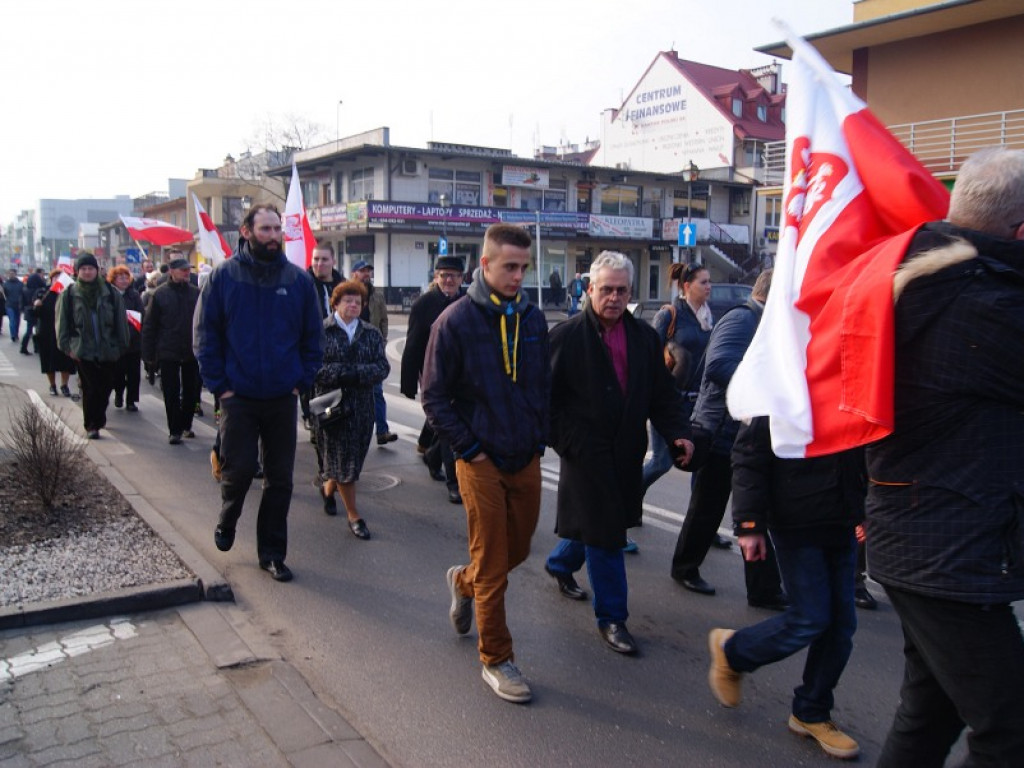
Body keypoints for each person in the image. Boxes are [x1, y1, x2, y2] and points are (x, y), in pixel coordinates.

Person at [864, 146, 1024, 767]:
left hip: (927, 534)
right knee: (1011, 729)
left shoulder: (925, 280)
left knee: (930, 713)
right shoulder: (986, 305)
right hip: (951, 549)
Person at [422, 223, 549, 704]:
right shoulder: (453, 322)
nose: (518, 276)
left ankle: (462, 580)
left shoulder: (533, 319)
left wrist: (539, 437)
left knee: (518, 549)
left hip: (525, 454)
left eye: (523, 267)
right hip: (479, 460)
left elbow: (542, 386)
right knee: (495, 563)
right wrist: (469, 449)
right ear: (485, 265)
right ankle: (496, 658)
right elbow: (434, 397)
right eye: (509, 266)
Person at [544, 251, 693, 654]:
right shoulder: (566, 336)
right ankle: (612, 617)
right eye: (606, 289)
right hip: (584, 454)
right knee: (607, 536)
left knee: (601, 523)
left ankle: (559, 563)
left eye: (621, 290)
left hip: (626, 451)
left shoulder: (644, 337)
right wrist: (568, 442)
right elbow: (544, 401)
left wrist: (680, 434)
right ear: (590, 289)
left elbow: (662, 394)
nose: (613, 297)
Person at [708, 417, 865, 760]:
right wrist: (749, 524)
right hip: (796, 519)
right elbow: (749, 454)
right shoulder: (780, 387)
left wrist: (864, 506)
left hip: (841, 518)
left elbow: (862, 446)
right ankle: (734, 651)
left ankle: (811, 711)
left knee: (841, 627)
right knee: (811, 617)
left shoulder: (850, 389)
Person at [194, 204, 322, 583]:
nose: (273, 235)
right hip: (239, 396)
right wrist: (221, 387)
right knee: (239, 470)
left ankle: (272, 553)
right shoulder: (224, 277)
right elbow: (205, 336)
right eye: (265, 229)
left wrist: (301, 381)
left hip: (282, 396)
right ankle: (228, 516)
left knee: (280, 480)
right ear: (247, 232)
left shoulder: (298, 281)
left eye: (277, 228)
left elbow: (313, 339)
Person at [671, 269, 786, 609]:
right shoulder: (743, 319)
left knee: (755, 511)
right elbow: (719, 366)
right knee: (708, 508)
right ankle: (684, 568)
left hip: (747, 433)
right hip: (723, 431)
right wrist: (770, 386)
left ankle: (763, 589)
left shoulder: (765, 323)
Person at [314, 280, 390, 534]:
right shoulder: (321, 331)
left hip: (362, 408)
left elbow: (382, 367)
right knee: (343, 460)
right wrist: (339, 374)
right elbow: (312, 367)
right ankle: (354, 516)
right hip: (331, 407)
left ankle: (328, 489)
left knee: (352, 460)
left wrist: (356, 374)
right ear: (335, 303)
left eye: (358, 302)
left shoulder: (371, 333)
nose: (354, 305)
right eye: (348, 301)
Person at [641, 262, 713, 493]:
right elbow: (649, 358)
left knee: (700, 462)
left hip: (698, 401)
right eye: (703, 282)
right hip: (671, 400)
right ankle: (628, 497)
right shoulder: (669, 315)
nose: (709, 286)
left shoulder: (707, 317)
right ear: (687, 286)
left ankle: (698, 516)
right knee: (661, 462)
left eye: (709, 281)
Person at [400, 255, 465, 504]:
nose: (449, 280)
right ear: (436, 277)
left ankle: (432, 456)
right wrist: (408, 382)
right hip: (434, 375)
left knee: (452, 423)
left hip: (462, 376)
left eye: (454, 276)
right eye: (444, 275)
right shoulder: (424, 304)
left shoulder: (468, 302)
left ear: (461, 278)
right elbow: (413, 344)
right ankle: (453, 483)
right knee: (448, 428)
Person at [55, 252, 130, 439]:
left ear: (97, 271)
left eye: (90, 268)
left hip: (108, 349)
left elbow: (121, 322)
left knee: (105, 387)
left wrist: (122, 346)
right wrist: (67, 348)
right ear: (77, 272)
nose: (87, 272)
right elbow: (61, 324)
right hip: (83, 350)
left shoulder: (110, 293)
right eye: (83, 269)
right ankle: (91, 425)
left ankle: (99, 417)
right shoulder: (69, 295)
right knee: (90, 388)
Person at [143, 257, 201, 444]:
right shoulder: (160, 294)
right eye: (183, 270)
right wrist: (149, 355)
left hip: (191, 349)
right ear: (171, 271)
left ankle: (186, 424)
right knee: (171, 391)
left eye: (188, 269)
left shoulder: (195, 293)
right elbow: (150, 325)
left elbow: (203, 321)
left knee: (191, 391)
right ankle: (174, 429)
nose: (186, 273)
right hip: (168, 349)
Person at [351, 259, 397, 446]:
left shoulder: (377, 295)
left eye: (368, 271)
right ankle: (353, 431)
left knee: (377, 392)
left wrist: (382, 341)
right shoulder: (348, 293)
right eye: (362, 271)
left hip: (373, 349)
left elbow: (384, 319)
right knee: (352, 392)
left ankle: (382, 431)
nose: (366, 274)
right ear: (354, 273)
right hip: (353, 349)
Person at [302, 243, 343, 433]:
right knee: (311, 384)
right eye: (316, 259)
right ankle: (310, 417)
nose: (319, 264)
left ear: (333, 261)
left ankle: (329, 419)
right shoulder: (303, 283)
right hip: (310, 343)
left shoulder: (342, 285)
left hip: (336, 342)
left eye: (324, 259)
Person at [33, 270, 77, 397]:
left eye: (61, 278)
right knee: (48, 361)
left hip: (65, 331)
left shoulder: (69, 293)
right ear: (51, 279)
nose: (58, 280)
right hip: (47, 331)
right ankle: (52, 385)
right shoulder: (43, 293)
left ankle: (64, 385)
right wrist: (37, 305)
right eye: (55, 277)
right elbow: (35, 314)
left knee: (66, 361)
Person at [107, 265, 143, 412]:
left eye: (126, 277)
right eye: (120, 278)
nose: (124, 280)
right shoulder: (109, 295)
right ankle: (119, 394)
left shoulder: (134, 295)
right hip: (116, 342)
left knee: (134, 373)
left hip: (133, 341)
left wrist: (130, 334)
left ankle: (131, 400)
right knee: (118, 372)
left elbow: (140, 315)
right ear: (114, 280)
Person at [20, 268, 46, 355]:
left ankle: (24, 347)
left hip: (28, 311)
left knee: (29, 330)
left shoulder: (25, 289)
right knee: (38, 330)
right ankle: (36, 348)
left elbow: (22, 301)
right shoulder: (39, 290)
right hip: (36, 311)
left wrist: (23, 309)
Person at [3, 269, 25, 342]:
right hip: (9, 305)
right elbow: (4, 294)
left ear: (15, 274)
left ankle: (16, 333)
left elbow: (23, 294)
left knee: (17, 321)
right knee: (12, 320)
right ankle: (13, 335)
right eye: (10, 274)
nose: (11, 275)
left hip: (18, 305)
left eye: (12, 273)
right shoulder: (5, 284)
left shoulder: (20, 284)